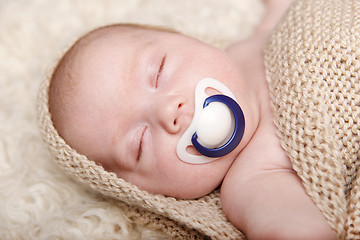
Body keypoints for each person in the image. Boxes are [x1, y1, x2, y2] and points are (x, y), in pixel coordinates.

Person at [46, 0, 337, 239]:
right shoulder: (252, 179)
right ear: (144, 191)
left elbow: (284, 11)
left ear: (187, 39)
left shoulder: (247, 50)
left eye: (159, 71)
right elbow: (296, 227)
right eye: (140, 143)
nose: (167, 112)